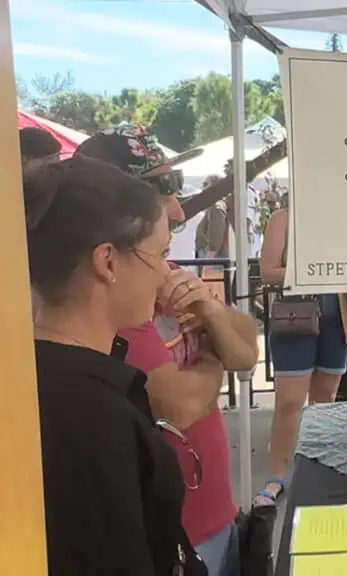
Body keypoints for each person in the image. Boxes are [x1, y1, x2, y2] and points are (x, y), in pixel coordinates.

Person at [77, 123, 260, 576]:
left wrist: (210, 312)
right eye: (161, 190)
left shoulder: (160, 269)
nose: (177, 208)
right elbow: (181, 403)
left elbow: (248, 350)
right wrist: (215, 351)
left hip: (214, 513)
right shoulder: (112, 293)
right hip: (174, 538)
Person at [26, 156, 205, 575]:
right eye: (159, 254)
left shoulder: (48, 374)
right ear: (107, 262)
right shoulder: (88, 418)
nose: (166, 272)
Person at [257, 202, 347, 506]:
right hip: (296, 313)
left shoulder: (346, 216)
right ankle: (278, 474)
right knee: (290, 401)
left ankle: (320, 467)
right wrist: (315, 271)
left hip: (340, 312)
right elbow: (268, 272)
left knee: (326, 399)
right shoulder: (284, 217)